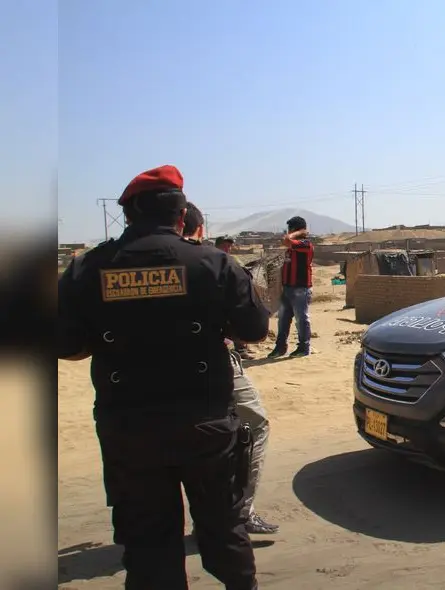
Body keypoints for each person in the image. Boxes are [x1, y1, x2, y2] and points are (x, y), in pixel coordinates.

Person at [57, 165, 270, 590]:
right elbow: (254, 331)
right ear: (181, 215)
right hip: (206, 425)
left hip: (129, 429)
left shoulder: (87, 268)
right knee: (223, 526)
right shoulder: (214, 263)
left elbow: (67, 346)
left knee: (148, 541)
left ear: (128, 214)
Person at [182, 205, 279, 535]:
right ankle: (240, 511)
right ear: (197, 228)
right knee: (254, 424)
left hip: (141, 376)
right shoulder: (213, 263)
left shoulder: (113, 263)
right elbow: (254, 328)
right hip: (211, 365)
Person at [267, 215, 314, 358]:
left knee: (301, 319)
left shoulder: (305, 244)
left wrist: (299, 232)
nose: (288, 231)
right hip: (287, 288)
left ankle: (304, 347)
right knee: (283, 319)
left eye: (290, 229)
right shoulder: (292, 247)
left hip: (300, 288)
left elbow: (286, 240)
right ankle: (280, 347)